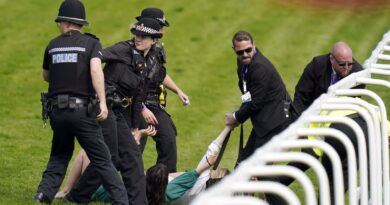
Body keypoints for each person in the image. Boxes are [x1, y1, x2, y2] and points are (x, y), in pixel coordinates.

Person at [33, 1, 128, 204]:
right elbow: (95, 71)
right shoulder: (91, 44)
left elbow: (46, 76)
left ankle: (43, 194)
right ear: (79, 23)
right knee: (103, 160)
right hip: (82, 112)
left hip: (57, 112)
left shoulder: (52, 45)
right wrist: (102, 102)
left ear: (65, 22)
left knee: (59, 155)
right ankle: (122, 201)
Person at [64, 18, 164, 205]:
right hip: (102, 107)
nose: (138, 39)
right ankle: (77, 195)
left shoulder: (149, 60)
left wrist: (135, 127)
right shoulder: (122, 49)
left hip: (117, 112)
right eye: (136, 34)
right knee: (114, 156)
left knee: (126, 158)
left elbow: (139, 96)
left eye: (144, 36)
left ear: (154, 40)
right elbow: (94, 58)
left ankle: (78, 196)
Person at [90, 126, 232, 205]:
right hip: (154, 190)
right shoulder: (200, 199)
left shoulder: (199, 179)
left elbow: (212, 149)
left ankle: (68, 192)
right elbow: (184, 177)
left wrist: (228, 127)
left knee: (90, 155)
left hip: (100, 187)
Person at [225, 30, 292, 165]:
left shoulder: (260, 67)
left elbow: (255, 102)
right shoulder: (243, 63)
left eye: (248, 50)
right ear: (234, 50)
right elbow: (248, 95)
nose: (244, 54)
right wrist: (238, 115)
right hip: (264, 122)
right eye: (240, 52)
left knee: (259, 170)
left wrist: (237, 117)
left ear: (254, 44)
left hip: (276, 122)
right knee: (244, 165)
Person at [55, 127, 157, 199]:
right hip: (101, 187)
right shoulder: (152, 193)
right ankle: (68, 189)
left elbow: (129, 158)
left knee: (85, 153)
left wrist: (140, 134)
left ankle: (66, 190)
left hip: (93, 189)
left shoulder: (135, 186)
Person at [292, 41, 364, 118]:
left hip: (340, 119)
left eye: (350, 64)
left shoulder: (357, 75)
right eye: (342, 64)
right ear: (331, 59)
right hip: (312, 114)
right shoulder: (317, 66)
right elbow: (301, 95)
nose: (346, 68)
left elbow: (351, 107)